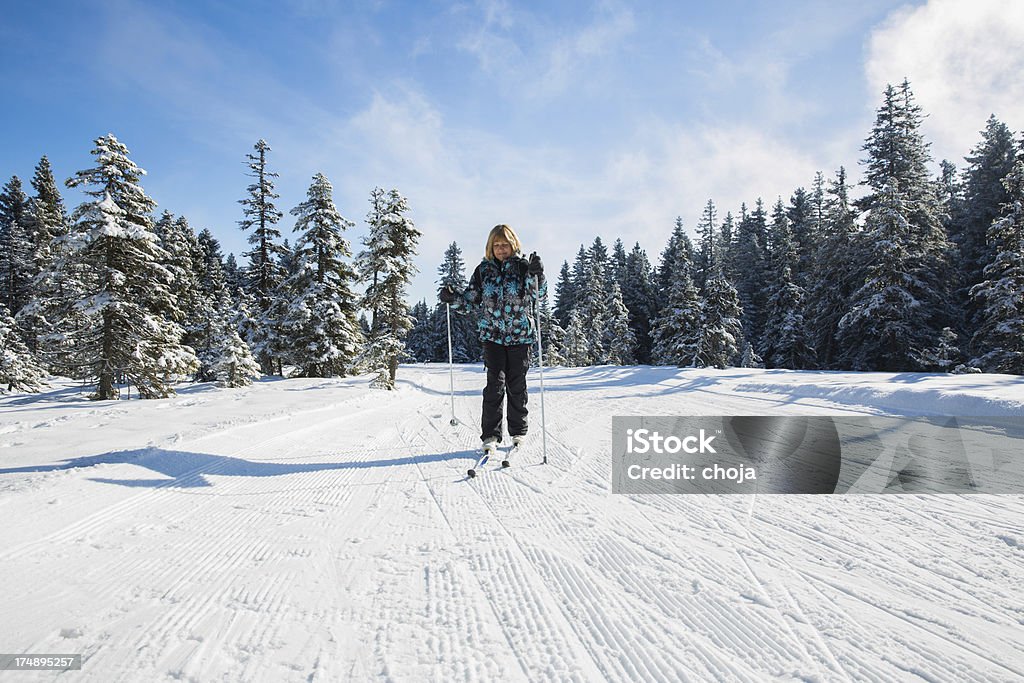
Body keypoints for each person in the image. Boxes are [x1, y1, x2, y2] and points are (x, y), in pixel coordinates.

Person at [440, 224, 545, 458]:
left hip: (520, 336)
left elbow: (538, 293)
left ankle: (518, 431)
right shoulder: (482, 271)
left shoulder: (522, 267)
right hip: (493, 337)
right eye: (496, 245)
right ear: (490, 247)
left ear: (513, 245)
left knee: (516, 385)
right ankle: (490, 435)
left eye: (505, 244)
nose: (501, 249)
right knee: (494, 385)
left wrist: (538, 274)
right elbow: (470, 301)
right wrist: (452, 298)